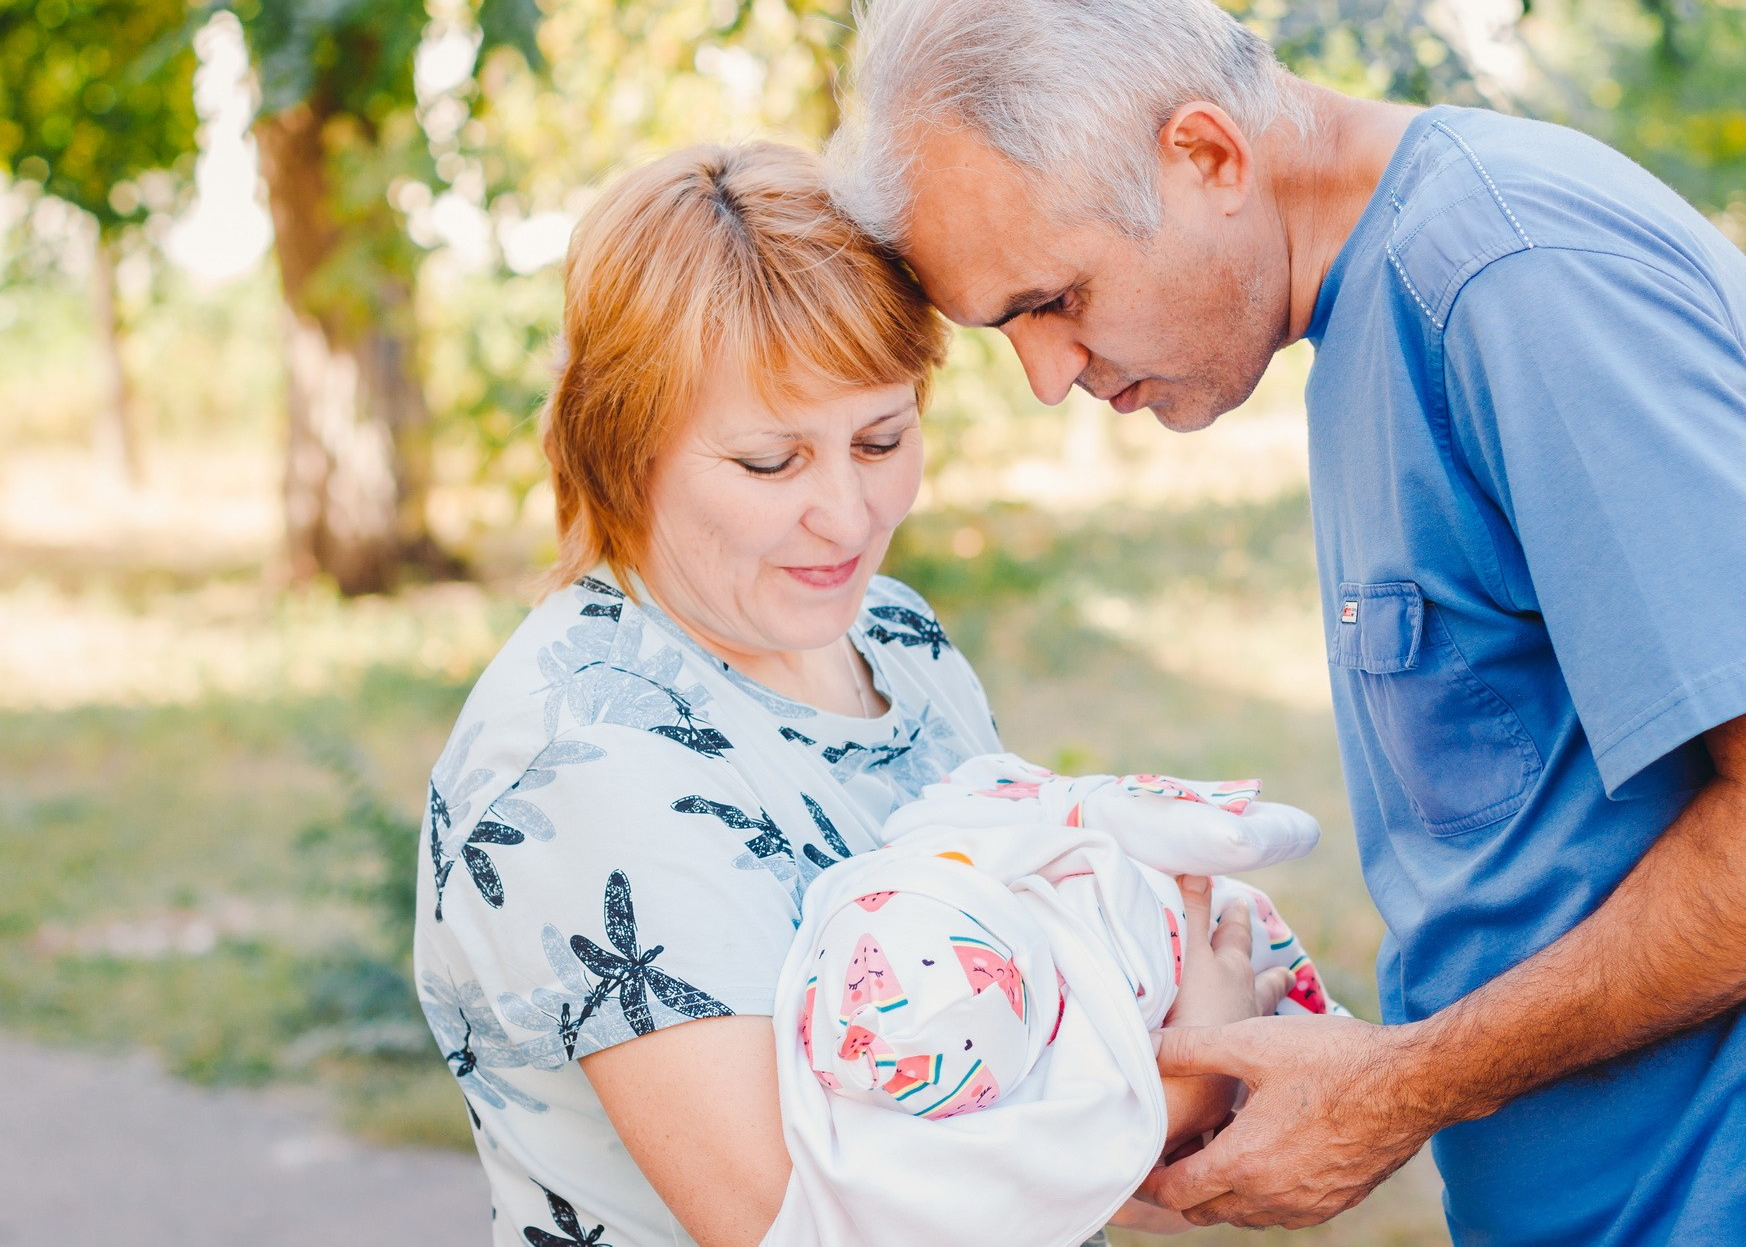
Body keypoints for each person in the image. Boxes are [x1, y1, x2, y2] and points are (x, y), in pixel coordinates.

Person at [824, 0, 1746, 1240]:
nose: (1049, 375)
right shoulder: (1368, 306)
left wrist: (1396, 1086)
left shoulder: (1512, 280)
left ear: (1206, 152)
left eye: (1059, 299)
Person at [412, 143, 1272, 1247]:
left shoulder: (894, 635)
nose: (848, 515)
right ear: (623, 448)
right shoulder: (585, 755)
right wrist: (1172, 1093)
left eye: (881, 438)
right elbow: (797, 1224)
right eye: (771, 463)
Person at [768, 753, 1333, 1246]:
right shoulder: (1088, 983)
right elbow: (1129, 1116)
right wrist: (1208, 1070)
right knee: (1251, 945)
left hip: (1200, 981)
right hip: (1196, 959)